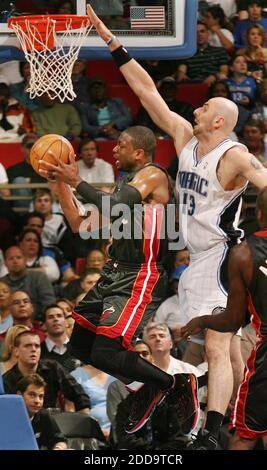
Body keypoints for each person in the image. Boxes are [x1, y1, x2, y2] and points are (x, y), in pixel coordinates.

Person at [85, 3, 267, 449]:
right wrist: (113, 42)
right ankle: (249, 421)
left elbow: (264, 180)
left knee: (216, 346)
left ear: (219, 121)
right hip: (196, 256)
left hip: (224, 254)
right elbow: (148, 93)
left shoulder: (235, 155)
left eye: (205, 106)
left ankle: (212, 430)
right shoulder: (187, 138)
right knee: (233, 348)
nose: (197, 107)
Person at [38, 123, 198, 435]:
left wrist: (77, 179)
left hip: (140, 274)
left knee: (105, 352)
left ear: (139, 152)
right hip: (114, 272)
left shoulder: (153, 175)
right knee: (81, 348)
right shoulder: (127, 188)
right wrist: (61, 185)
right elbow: (78, 224)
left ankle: (172, 384)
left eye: (121, 144)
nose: (113, 149)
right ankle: (150, 387)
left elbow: (112, 205)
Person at [181, 186, 267, 450]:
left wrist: (202, 321)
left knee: (246, 433)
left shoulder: (243, 253)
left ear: (259, 214)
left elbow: (231, 320)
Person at [16, 373, 68, 450]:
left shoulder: (43, 415)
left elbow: (60, 440)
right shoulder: (6, 416)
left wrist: (58, 448)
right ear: (19, 395)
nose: (37, 401)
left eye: (41, 396)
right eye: (32, 395)